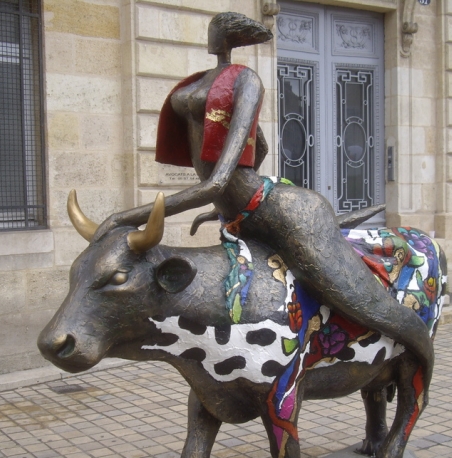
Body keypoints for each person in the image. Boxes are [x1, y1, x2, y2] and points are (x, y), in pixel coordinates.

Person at [96, 12, 434, 384]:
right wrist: (228, 207)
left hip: (291, 214)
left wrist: (123, 217)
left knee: (358, 300)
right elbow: (260, 148)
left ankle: (419, 346)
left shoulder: (247, 80)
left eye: (219, 29)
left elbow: (216, 182)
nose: (212, 34)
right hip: (248, 210)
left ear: (230, 36)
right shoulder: (208, 81)